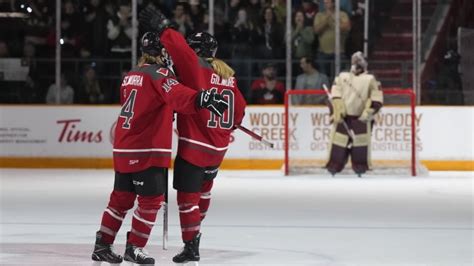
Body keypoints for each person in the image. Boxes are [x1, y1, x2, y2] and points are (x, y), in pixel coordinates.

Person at [91, 31, 229, 265]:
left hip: (124, 147)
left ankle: (102, 245)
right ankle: (134, 247)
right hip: (147, 148)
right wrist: (201, 99)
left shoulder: (131, 74)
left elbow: (152, 104)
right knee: (151, 200)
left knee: (120, 199)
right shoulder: (161, 74)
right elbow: (177, 95)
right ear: (162, 52)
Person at [139, 7, 247, 265]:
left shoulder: (196, 69)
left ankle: (191, 247)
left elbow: (180, 52)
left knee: (187, 200)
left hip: (194, 149)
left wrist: (165, 28)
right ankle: (196, 236)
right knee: (204, 193)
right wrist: (225, 128)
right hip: (218, 151)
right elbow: (239, 112)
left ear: (196, 51)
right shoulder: (229, 78)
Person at [326, 51, 383, 176]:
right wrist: (337, 108)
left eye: (358, 61)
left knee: (360, 145)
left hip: (361, 118)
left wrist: (368, 113)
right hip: (344, 117)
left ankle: (360, 167)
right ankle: (334, 165)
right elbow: (335, 93)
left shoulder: (371, 79)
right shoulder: (342, 76)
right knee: (338, 143)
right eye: (354, 61)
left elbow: (377, 98)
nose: (355, 64)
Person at [313, 0, 351, 77]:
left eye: (328, 2)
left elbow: (346, 27)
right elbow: (316, 30)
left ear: (333, 3)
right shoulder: (319, 15)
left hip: (339, 52)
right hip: (322, 53)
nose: (325, 4)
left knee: (339, 76)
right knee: (323, 77)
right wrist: (327, 19)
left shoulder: (342, 15)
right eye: (324, 2)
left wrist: (333, 19)